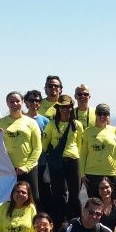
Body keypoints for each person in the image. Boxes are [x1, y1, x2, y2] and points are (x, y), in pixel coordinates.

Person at [42, 94, 82, 222]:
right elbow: (44, 144)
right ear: (58, 108)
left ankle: (74, 219)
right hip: (57, 162)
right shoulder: (52, 124)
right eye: (62, 107)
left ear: (71, 108)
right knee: (58, 194)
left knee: (75, 193)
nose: (65, 109)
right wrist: (50, 156)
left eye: (68, 107)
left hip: (73, 161)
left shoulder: (77, 124)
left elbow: (80, 144)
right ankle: (60, 221)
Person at [0, 91, 42, 202]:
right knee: (10, 200)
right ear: (7, 103)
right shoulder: (0, 123)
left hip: (28, 168)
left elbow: (37, 148)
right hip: (8, 169)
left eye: (17, 101)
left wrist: (26, 167)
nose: (15, 104)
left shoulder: (31, 122)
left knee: (32, 199)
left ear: (22, 102)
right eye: (11, 101)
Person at [80, 103, 116, 199]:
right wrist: (82, 174)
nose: (102, 116)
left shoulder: (115, 131)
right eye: (99, 113)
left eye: (105, 114)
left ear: (108, 115)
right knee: (95, 204)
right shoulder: (88, 131)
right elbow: (83, 154)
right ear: (96, 114)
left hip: (111, 172)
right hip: (92, 173)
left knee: (115, 201)